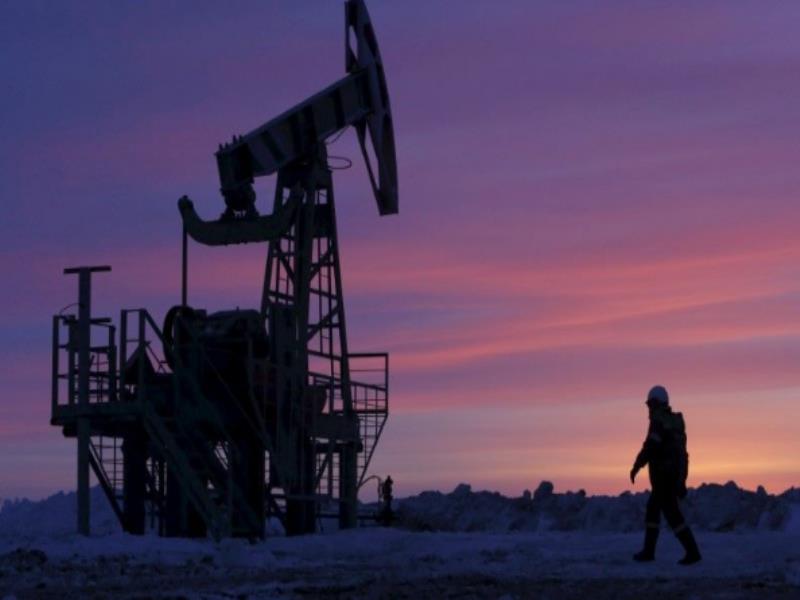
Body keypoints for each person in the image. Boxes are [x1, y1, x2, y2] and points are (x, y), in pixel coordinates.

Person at [630, 385, 701, 565]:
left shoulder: (658, 421)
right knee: (654, 509)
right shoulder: (673, 422)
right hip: (672, 476)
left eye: (650, 404)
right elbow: (682, 453)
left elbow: (651, 447)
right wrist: (681, 479)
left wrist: (637, 465)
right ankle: (649, 551)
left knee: (672, 514)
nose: (648, 408)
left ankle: (692, 552)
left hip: (663, 477)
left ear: (657, 403)